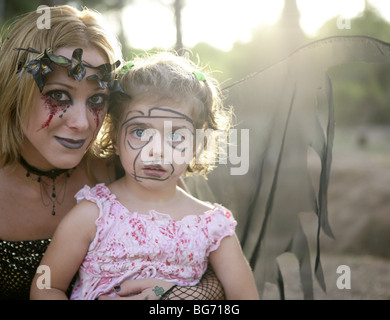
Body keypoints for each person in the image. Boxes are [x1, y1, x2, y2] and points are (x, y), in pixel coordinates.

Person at [0, 5, 224, 300]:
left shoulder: (125, 171)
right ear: (17, 91)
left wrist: (186, 296)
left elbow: (210, 265)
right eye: (58, 95)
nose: (81, 123)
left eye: (96, 99)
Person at [30, 52, 259, 300]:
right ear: (115, 138)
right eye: (140, 131)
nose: (156, 150)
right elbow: (46, 287)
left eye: (175, 136)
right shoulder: (94, 214)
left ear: (196, 146)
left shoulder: (212, 226)